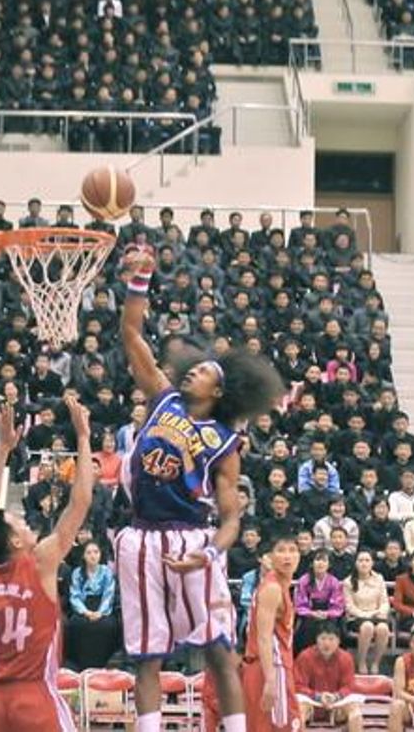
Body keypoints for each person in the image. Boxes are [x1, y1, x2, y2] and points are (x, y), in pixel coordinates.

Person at [119, 246, 285, 731]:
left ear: (219, 391)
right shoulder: (163, 398)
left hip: (192, 539)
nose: (192, 369)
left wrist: (211, 554)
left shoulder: (225, 441)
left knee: (218, 648)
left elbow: (232, 518)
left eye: (205, 370)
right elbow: (132, 334)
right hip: (141, 536)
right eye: (194, 367)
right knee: (146, 655)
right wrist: (140, 280)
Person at [0, 400, 95, 731]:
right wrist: (83, 438)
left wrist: (1, 450)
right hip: (35, 697)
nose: (27, 523)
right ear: (15, 542)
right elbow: (81, 501)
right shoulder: (41, 562)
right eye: (20, 524)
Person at [242, 533, 302, 732]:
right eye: (281, 550)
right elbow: (264, 636)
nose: (287, 556)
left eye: (293, 550)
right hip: (270, 667)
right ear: (269, 557)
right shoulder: (272, 588)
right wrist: (270, 679)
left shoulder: (279, 585)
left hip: (270, 665)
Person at [294, 623, 362, 731]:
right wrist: (318, 696)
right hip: (311, 701)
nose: (327, 643)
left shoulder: (346, 658)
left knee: (356, 713)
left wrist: (336, 696)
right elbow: (298, 685)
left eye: (331, 639)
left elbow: (349, 686)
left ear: (338, 641)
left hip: (337, 702)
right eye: (323, 638)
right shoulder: (305, 656)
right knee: (298, 712)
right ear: (316, 640)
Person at [65, 540, 120, 669]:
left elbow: (109, 594)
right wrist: (86, 612)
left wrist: (100, 612)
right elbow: (75, 595)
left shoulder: (106, 572)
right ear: (83, 556)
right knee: (76, 624)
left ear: (100, 554)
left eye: (96, 552)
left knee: (109, 625)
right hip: (83, 607)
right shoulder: (77, 573)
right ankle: (80, 665)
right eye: (89, 552)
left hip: (102, 607)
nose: (92, 555)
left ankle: (105, 664)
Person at [343, 550, 391, 674]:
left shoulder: (379, 578)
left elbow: (385, 601)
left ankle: (376, 662)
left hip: (376, 615)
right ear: (355, 563)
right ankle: (362, 661)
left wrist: (380, 612)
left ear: (372, 563)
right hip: (357, 617)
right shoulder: (348, 582)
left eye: (367, 560)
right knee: (367, 626)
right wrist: (365, 615)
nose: (364, 563)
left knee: (383, 629)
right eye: (360, 560)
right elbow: (349, 606)